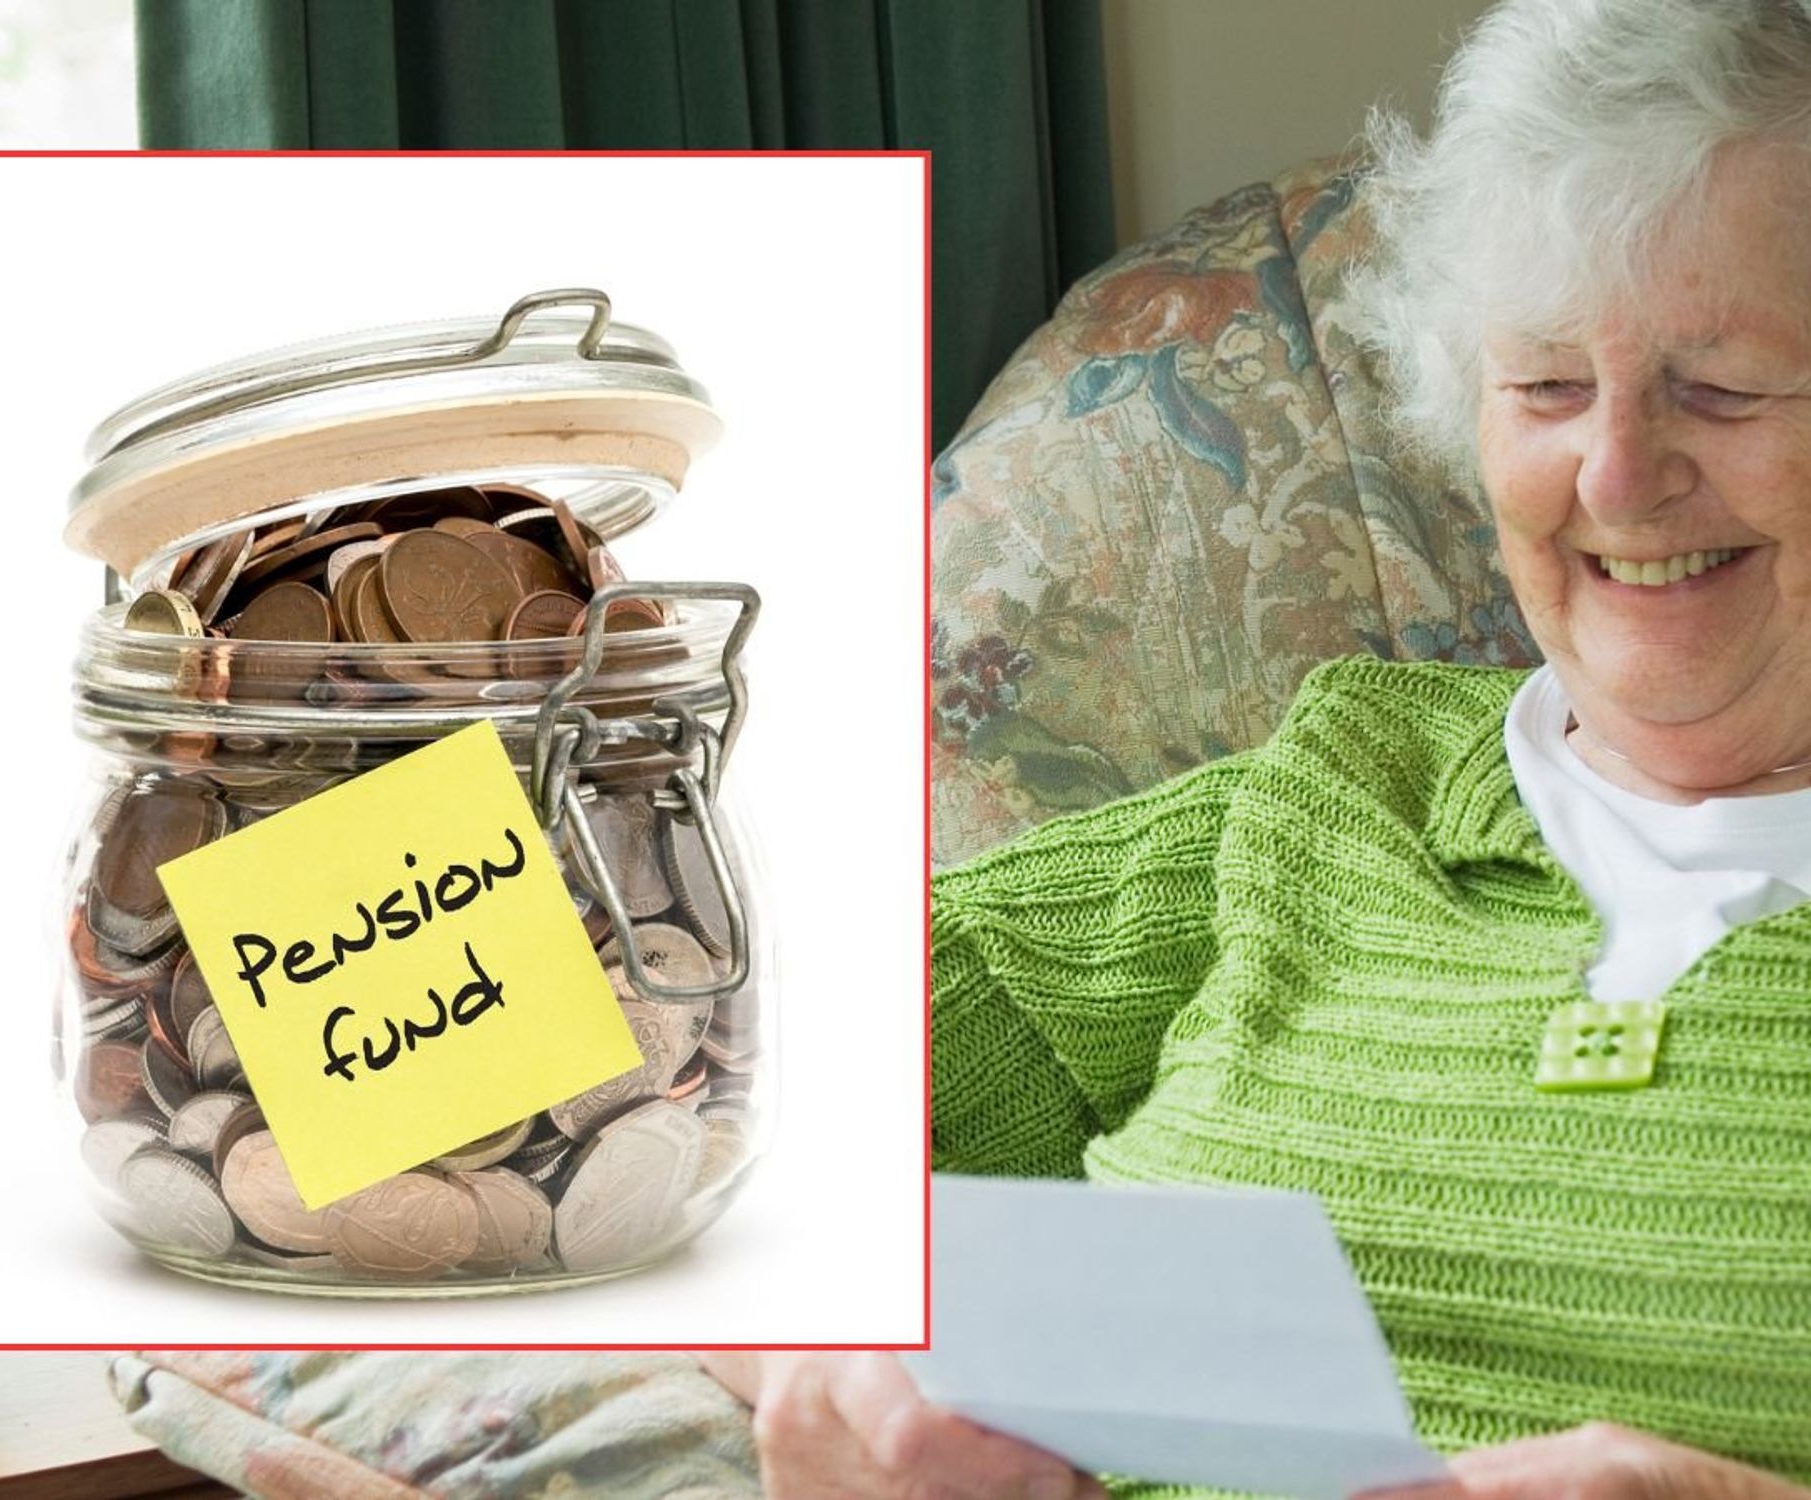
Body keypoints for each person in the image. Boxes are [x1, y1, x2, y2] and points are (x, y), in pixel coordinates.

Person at [702, 1, 1811, 1496]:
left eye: (1724, 386)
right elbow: (681, 1089)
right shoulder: (1333, 796)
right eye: (1546, 386)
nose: (1613, 474)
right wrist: (817, 1370)